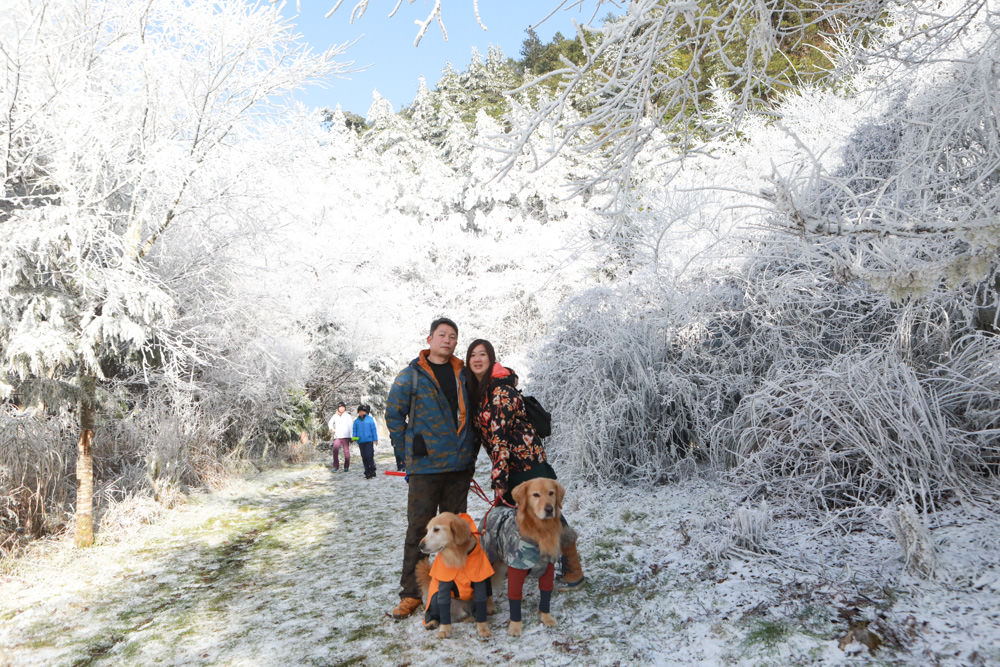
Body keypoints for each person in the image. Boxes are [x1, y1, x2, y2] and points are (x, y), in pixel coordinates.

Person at [465, 338, 585, 590]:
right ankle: (526, 563)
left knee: (549, 517)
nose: (477, 359)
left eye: (482, 354)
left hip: (528, 465)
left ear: (491, 358)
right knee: (518, 519)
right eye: (472, 355)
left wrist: (498, 480)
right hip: (509, 465)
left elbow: (499, 438)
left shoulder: (500, 391)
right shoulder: (479, 392)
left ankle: (572, 566)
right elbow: (482, 435)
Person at [384, 317, 478, 619]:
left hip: (458, 467)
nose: (447, 341)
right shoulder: (410, 376)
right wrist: (406, 455)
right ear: (430, 339)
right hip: (425, 469)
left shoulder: (463, 374)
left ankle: (452, 588)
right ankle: (410, 594)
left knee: (455, 532)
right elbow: (394, 416)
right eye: (442, 335)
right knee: (419, 531)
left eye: (453, 336)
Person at [352, 404, 379, 479]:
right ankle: (367, 472)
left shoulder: (370, 419)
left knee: (369, 456)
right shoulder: (356, 421)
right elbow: (354, 431)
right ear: (358, 412)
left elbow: (373, 430)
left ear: (366, 412)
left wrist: (375, 439)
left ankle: (372, 469)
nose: (361, 413)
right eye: (360, 411)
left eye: (363, 411)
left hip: (369, 441)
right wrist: (354, 438)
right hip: (361, 442)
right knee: (364, 457)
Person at [328, 402, 353, 472]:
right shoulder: (335, 416)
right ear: (338, 408)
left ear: (345, 408)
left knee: (346, 452)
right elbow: (330, 423)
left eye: (343, 407)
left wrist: (351, 436)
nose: (341, 408)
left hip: (346, 436)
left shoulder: (348, 416)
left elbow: (351, 426)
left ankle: (346, 466)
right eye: (340, 407)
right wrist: (332, 429)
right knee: (335, 450)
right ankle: (335, 466)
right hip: (337, 436)